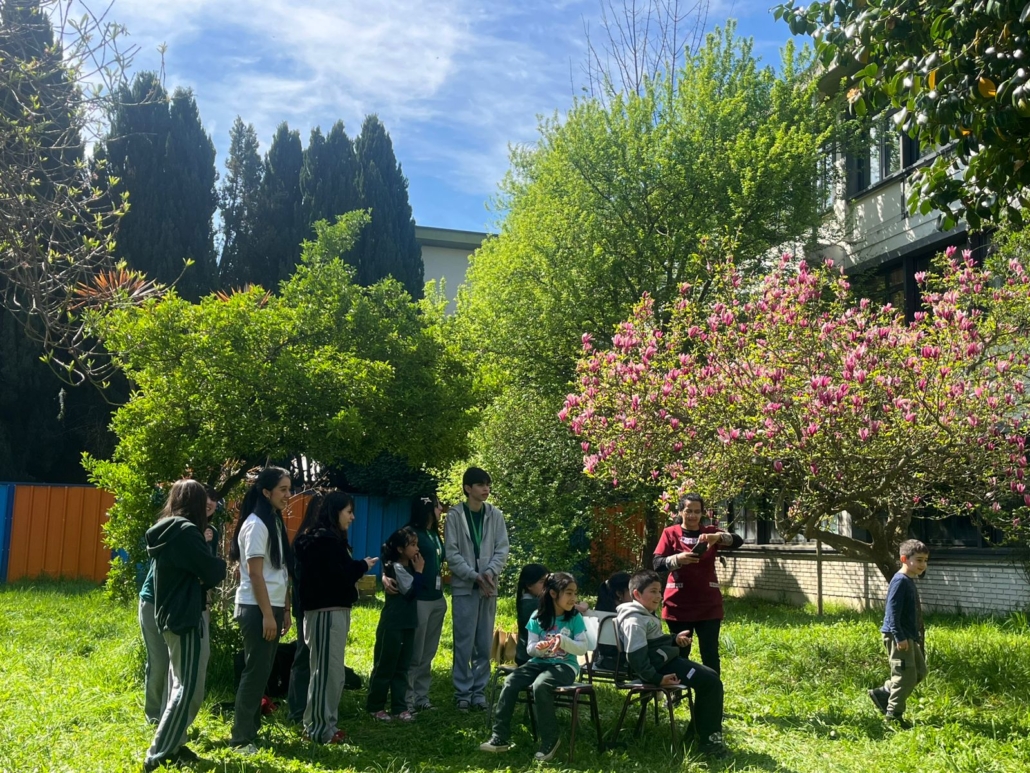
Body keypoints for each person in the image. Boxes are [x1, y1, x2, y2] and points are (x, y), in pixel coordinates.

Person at [143, 479, 227, 772]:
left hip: (170, 614)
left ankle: (175, 744)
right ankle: (158, 753)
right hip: (186, 615)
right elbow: (212, 571)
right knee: (186, 688)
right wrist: (216, 565)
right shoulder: (188, 532)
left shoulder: (167, 528)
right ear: (197, 503)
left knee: (181, 684)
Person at [615, 570, 728, 758]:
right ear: (637, 594)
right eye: (653, 591)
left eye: (660, 591)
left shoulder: (645, 614)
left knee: (711, 677)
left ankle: (697, 734)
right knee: (711, 683)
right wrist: (657, 679)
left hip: (667, 663)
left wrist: (674, 640)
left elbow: (654, 643)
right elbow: (636, 657)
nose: (659, 596)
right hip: (660, 669)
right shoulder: (634, 620)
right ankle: (709, 743)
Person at [294, 491, 377, 743]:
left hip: (334, 612)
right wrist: (361, 566)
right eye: (349, 512)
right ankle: (318, 730)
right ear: (335, 512)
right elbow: (337, 576)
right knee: (326, 673)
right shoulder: (321, 541)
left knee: (333, 673)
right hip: (325, 613)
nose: (352, 517)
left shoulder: (328, 540)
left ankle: (325, 724)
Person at [480, 571, 588, 762]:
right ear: (553, 593)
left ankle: (550, 739)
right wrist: (539, 648)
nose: (574, 598)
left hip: (565, 666)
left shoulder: (574, 618)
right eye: (569, 593)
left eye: (575, 593)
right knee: (510, 681)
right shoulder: (537, 616)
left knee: (541, 685)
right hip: (538, 663)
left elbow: (582, 648)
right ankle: (500, 736)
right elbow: (530, 649)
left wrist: (563, 641)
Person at [228, 466, 293, 754]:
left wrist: (285, 609)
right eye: (283, 489)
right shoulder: (256, 524)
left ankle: (250, 731)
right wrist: (268, 615)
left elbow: (279, 570)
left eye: (289, 489)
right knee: (254, 673)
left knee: (261, 671)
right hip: (257, 609)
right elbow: (255, 574)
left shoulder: (274, 521)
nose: (288, 495)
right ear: (266, 492)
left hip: (272, 606)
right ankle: (241, 739)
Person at [652, 493, 743, 673]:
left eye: (697, 511)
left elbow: (738, 541)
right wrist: (678, 559)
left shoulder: (710, 532)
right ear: (680, 512)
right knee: (679, 654)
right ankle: (678, 688)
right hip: (678, 606)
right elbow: (657, 563)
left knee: (710, 653)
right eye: (688, 511)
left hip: (708, 605)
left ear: (702, 513)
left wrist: (718, 538)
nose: (693, 515)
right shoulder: (670, 533)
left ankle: (712, 688)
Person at [444, 466, 510, 710]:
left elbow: (502, 548)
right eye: (481, 485)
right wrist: (473, 576)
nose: (486, 489)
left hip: (488, 587)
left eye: (488, 485)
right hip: (465, 587)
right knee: (463, 641)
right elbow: (451, 553)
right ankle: (462, 692)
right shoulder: (454, 516)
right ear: (467, 488)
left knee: (483, 642)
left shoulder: (495, 515)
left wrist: (489, 573)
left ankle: (479, 692)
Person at [868, 539, 930, 729]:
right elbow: (892, 613)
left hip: (907, 636)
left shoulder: (908, 580)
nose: (923, 565)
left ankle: (884, 691)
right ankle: (893, 716)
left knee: (920, 671)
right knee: (904, 677)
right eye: (918, 560)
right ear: (904, 559)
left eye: (925, 560)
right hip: (898, 636)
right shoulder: (900, 581)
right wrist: (899, 637)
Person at [367, 526, 425, 721]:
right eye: (412, 545)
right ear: (400, 549)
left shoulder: (410, 565)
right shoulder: (396, 567)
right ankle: (375, 706)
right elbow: (411, 592)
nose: (417, 549)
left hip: (408, 623)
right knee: (385, 665)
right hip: (393, 624)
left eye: (417, 544)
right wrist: (419, 572)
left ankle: (399, 707)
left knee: (402, 666)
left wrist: (418, 570)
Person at [406, 495, 447, 712]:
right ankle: (407, 699)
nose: (441, 509)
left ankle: (421, 697)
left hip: (437, 598)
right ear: (428, 509)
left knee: (428, 651)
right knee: (415, 651)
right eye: (438, 506)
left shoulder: (434, 533)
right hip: (419, 599)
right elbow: (390, 555)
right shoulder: (410, 533)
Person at [286, 491, 324, 724]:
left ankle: (313, 706)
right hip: (308, 607)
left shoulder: (317, 536)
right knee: (304, 655)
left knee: (313, 656)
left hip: (316, 606)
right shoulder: (307, 539)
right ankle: (297, 710)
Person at [593, 570, 631, 670]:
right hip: (626, 662)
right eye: (631, 590)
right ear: (619, 593)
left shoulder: (598, 614)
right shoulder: (631, 615)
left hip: (604, 661)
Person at [513, 563, 549, 666]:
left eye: (547, 581)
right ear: (529, 585)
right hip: (528, 658)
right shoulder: (530, 604)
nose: (546, 586)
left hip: (528, 655)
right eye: (542, 582)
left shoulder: (532, 600)